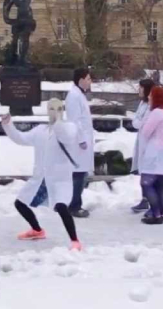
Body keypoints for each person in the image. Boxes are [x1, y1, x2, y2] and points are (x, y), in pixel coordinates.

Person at [2, 98, 82, 251]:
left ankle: (75, 241)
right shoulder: (41, 130)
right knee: (20, 203)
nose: (54, 112)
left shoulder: (69, 127)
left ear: (62, 110)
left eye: (58, 109)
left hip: (60, 180)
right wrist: (8, 125)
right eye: (51, 109)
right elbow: (21, 138)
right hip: (40, 179)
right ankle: (37, 230)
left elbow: (66, 136)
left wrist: (59, 121)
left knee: (61, 207)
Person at [137, 87, 163, 225]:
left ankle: (156, 214)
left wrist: (142, 123)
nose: (148, 98)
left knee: (146, 183)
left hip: (156, 152)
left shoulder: (156, 113)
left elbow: (146, 132)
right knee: (161, 184)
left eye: (151, 96)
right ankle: (161, 214)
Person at [65, 67, 94, 218]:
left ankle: (75, 202)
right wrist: (82, 139)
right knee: (78, 174)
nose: (90, 82)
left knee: (81, 174)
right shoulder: (74, 96)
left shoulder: (79, 95)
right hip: (79, 142)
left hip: (83, 140)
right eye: (88, 78)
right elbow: (74, 120)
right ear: (81, 79)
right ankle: (74, 205)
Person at [130, 78, 155, 214]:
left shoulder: (152, 105)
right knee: (143, 172)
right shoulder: (142, 103)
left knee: (148, 172)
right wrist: (138, 122)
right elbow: (135, 121)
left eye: (140, 88)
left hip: (149, 142)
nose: (138, 90)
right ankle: (144, 199)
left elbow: (141, 123)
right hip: (141, 140)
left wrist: (138, 122)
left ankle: (151, 202)